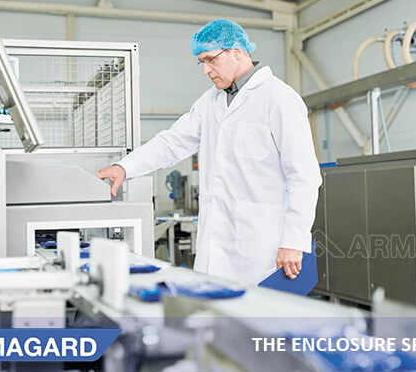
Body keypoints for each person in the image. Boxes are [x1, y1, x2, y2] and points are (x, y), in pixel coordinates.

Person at [96, 19, 321, 285]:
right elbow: (171, 142)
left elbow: (304, 176)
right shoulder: (209, 102)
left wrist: (294, 241)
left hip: (262, 248)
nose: (205, 70)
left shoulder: (279, 98)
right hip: (215, 248)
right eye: (201, 62)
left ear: (237, 51)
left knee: (257, 319)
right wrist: (125, 168)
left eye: (210, 60)